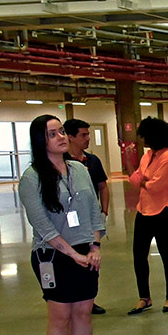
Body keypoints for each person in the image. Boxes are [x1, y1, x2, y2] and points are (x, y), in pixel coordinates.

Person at [18, 114, 108, 335]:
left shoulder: (79, 170)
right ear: (40, 141)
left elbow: (94, 209)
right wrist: (73, 254)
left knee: (83, 314)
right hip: (53, 254)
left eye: (62, 132)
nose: (62, 137)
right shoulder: (31, 179)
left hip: (85, 250)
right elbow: (42, 226)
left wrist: (94, 246)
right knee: (60, 317)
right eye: (53, 133)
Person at [127, 117, 168, 315]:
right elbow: (136, 180)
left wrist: (144, 181)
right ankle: (144, 297)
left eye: (145, 136)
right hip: (144, 210)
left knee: (167, 255)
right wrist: (131, 166)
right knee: (139, 255)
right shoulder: (147, 156)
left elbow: (156, 186)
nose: (142, 140)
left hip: (164, 212)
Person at [64, 118, 109, 315]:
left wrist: (103, 211)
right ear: (71, 137)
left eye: (88, 134)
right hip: (68, 222)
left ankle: (89, 298)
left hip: (89, 221)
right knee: (70, 257)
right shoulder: (63, 163)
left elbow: (102, 186)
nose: (88, 138)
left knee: (92, 257)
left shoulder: (93, 161)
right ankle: (68, 298)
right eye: (83, 135)